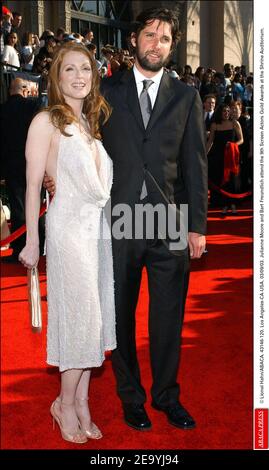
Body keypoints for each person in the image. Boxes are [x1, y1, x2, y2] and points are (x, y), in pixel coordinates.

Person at [45, 7, 208, 432]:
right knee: (118, 316)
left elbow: (195, 165)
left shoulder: (187, 96)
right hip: (117, 218)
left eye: (165, 38)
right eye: (150, 35)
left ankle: (167, 397)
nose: (157, 44)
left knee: (167, 317)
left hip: (169, 218)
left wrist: (197, 226)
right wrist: (50, 172)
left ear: (173, 47)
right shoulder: (107, 92)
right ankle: (131, 398)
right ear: (135, 40)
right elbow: (73, 128)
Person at [18, 42, 116, 443]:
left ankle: (80, 402)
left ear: (94, 78)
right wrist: (30, 240)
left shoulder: (91, 127)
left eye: (86, 70)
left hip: (97, 234)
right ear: (57, 79)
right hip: (67, 233)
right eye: (70, 70)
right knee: (78, 319)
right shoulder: (45, 122)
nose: (79, 77)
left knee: (92, 321)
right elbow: (30, 185)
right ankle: (65, 403)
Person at [0, 77, 44, 262]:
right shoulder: (32, 107)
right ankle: (40, 246)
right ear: (25, 90)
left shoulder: (2, 110)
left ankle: (19, 248)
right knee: (38, 205)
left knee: (18, 207)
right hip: (34, 162)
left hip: (11, 165)